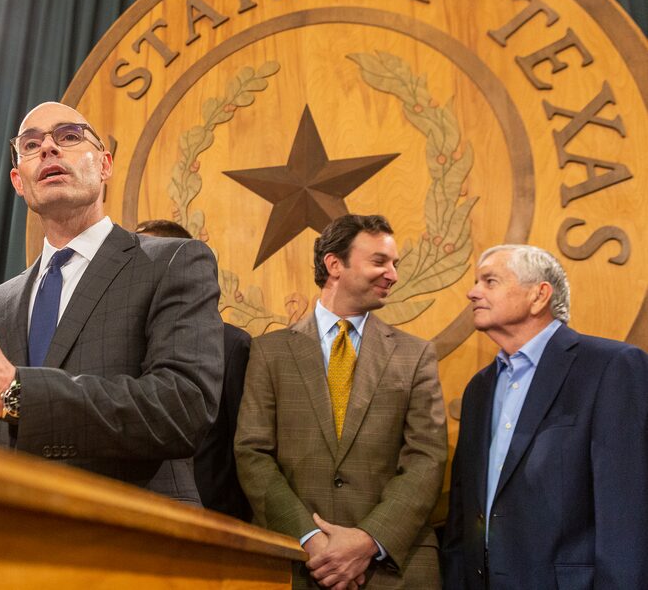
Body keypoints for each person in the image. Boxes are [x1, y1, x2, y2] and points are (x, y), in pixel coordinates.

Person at [0, 102, 224, 503]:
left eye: (68, 137)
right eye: (31, 144)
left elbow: (181, 408)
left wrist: (18, 392)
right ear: (19, 181)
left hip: (128, 535)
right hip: (4, 538)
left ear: (104, 165)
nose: (48, 149)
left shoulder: (173, 262)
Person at [235, 214, 447, 589]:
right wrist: (310, 540)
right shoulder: (269, 352)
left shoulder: (415, 355)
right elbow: (253, 453)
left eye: (394, 264)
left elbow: (426, 458)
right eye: (380, 261)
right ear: (335, 264)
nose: (393, 274)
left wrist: (367, 541)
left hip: (393, 570)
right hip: (294, 566)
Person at [441, 245, 648, 589]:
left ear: (539, 296)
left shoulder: (611, 367)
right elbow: (464, 510)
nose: (472, 292)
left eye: (490, 281)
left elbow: (626, 511)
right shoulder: (479, 387)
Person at [136, 218, 252, 521]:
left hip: (207, 519)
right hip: (131, 510)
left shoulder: (233, 344)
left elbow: (240, 446)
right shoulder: (125, 337)